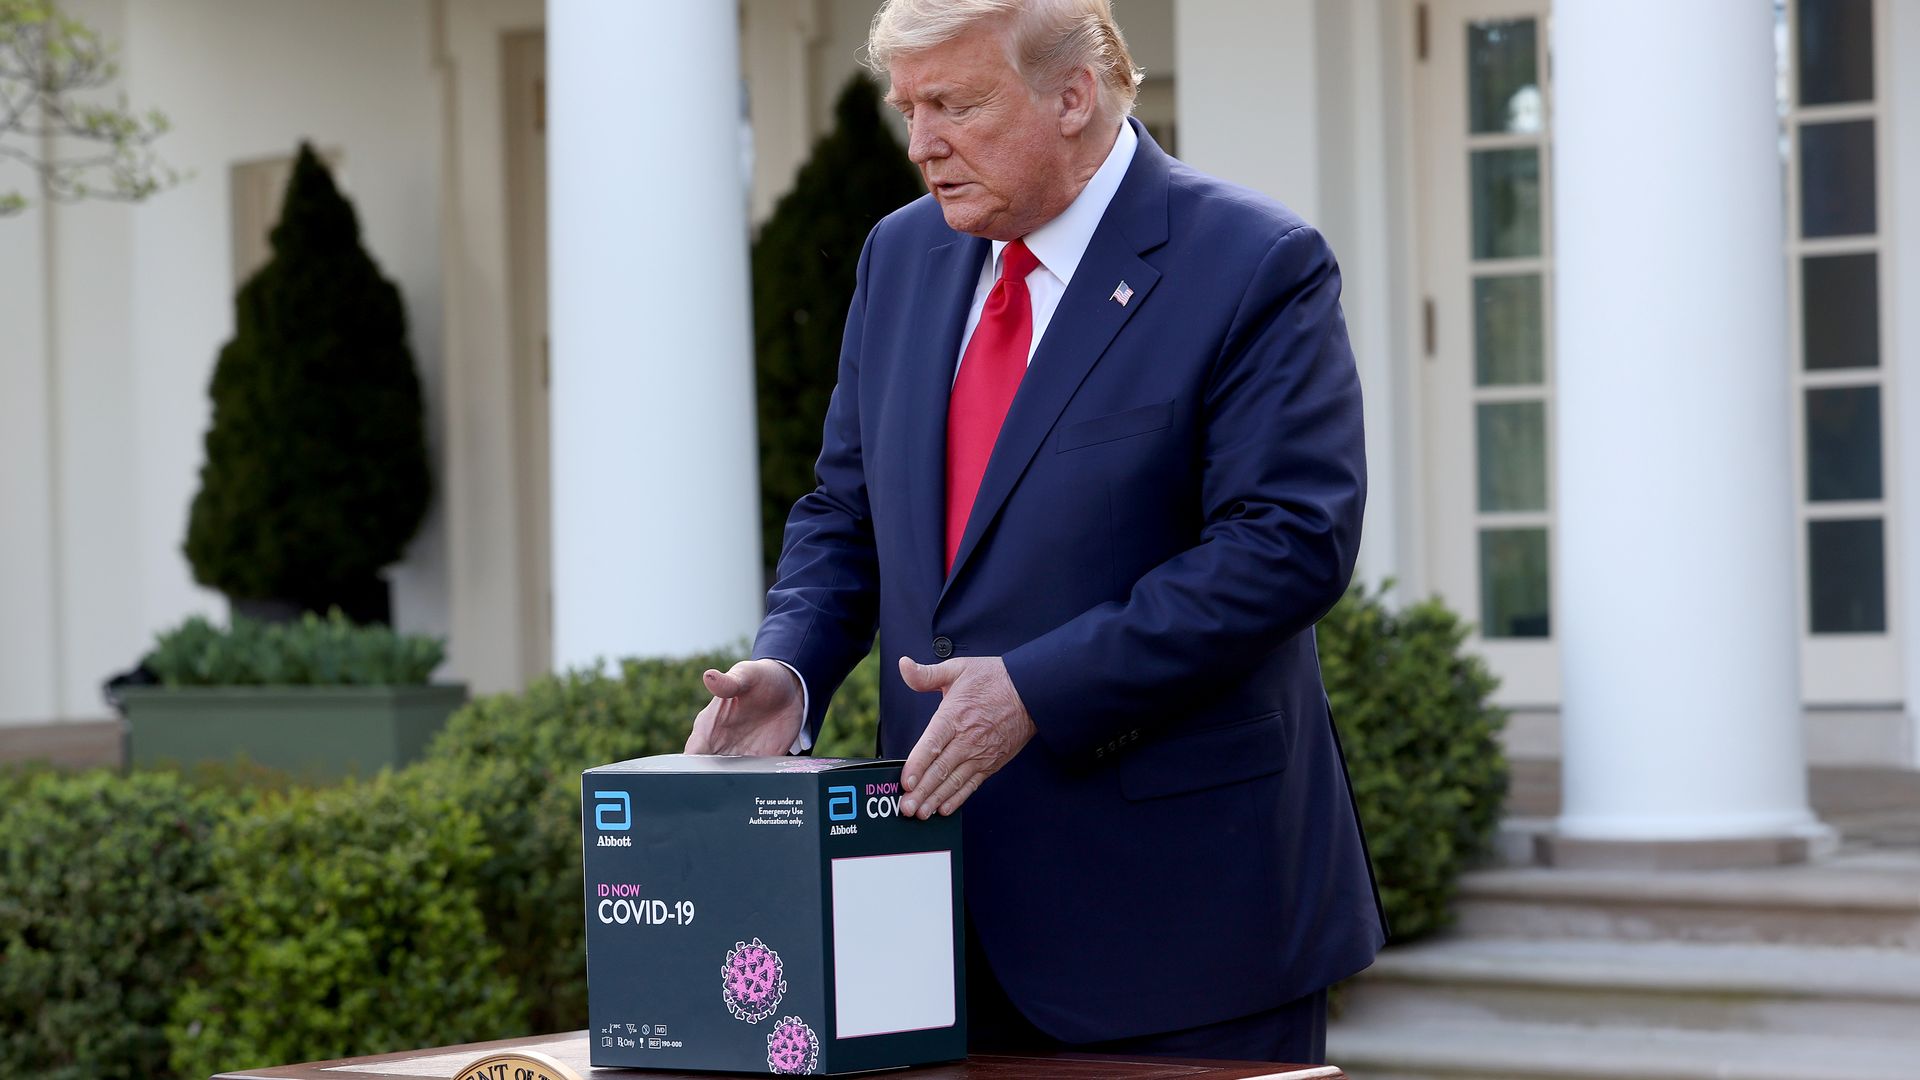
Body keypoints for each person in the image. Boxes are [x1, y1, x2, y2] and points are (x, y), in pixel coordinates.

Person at [685, 0, 1384, 1064]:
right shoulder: (901, 255)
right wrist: (792, 666)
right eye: (908, 106)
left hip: (1183, 927)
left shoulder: (1254, 261)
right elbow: (846, 512)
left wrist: (1037, 690)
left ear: (1074, 95)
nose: (921, 142)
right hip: (927, 915)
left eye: (955, 103)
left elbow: (1286, 545)